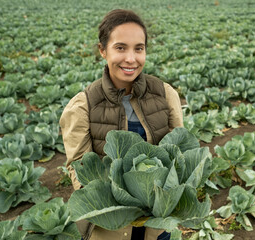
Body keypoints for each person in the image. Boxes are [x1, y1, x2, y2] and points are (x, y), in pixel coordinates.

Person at [59, 9, 183, 240]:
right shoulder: (82, 106)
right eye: (120, 47)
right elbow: (79, 167)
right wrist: (116, 205)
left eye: (139, 48)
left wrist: (163, 200)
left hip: (157, 222)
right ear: (102, 50)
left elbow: (179, 152)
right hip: (111, 226)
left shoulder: (165, 94)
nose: (130, 58)